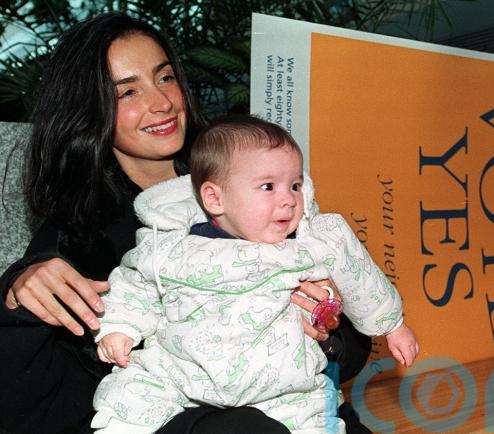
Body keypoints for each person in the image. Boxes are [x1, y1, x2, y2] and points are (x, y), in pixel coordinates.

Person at [0, 13, 371, 434]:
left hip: (301, 409)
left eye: (165, 78)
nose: (161, 102)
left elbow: (355, 351)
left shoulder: (248, 174)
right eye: (128, 92)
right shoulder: (77, 235)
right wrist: (15, 290)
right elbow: (28, 403)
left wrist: (327, 328)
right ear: (89, 109)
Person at [91, 115, 419, 433]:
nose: (288, 200)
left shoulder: (310, 242)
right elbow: (135, 284)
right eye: (268, 186)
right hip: (182, 373)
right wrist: (119, 327)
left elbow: (359, 275)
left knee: (316, 418)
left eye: (295, 185)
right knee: (132, 394)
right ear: (214, 198)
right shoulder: (173, 246)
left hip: (286, 387)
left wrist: (392, 325)